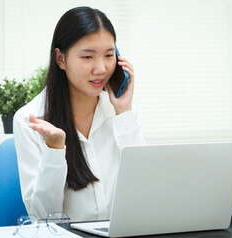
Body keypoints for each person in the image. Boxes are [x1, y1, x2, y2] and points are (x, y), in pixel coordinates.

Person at [13, 6, 145, 222]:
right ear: (61, 59)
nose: (101, 68)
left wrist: (124, 112)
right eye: (87, 57)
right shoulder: (30, 119)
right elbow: (44, 217)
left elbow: (146, 189)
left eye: (109, 55)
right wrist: (54, 150)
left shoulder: (121, 112)